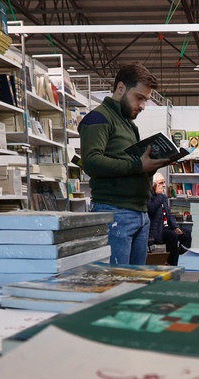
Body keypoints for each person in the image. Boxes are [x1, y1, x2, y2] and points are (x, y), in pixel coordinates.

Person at [80, 62, 174, 265]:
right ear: (121, 88)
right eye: (139, 98)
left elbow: (131, 162)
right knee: (117, 283)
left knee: (134, 284)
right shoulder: (98, 118)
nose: (142, 106)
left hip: (139, 213)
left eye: (146, 100)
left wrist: (150, 166)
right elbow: (91, 162)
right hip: (116, 212)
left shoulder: (129, 124)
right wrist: (138, 166)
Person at [147, 174, 191, 266]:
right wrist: (160, 196)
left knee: (186, 234)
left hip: (167, 228)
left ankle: (176, 255)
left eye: (164, 182)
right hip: (156, 230)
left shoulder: (162, 197)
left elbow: (169, 214)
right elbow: (151, 209)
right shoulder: (150, 196)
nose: (163, 185)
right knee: (173, 236)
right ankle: (171, 263)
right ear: (154, 184)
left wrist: (175, 226)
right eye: (161, 183)